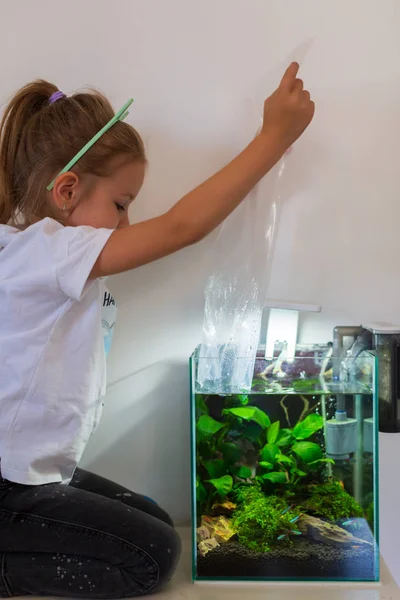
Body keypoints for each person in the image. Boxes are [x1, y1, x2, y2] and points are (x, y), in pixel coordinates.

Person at [0, 62, 314, 598]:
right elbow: (181, 227)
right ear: (67, 190)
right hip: (11, 485)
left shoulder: (33, 253)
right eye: (121, 205)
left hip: (37, 473)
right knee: (154, 556)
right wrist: (273, 136)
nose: (126, 225)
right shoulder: (47, 250)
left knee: (155, 521)